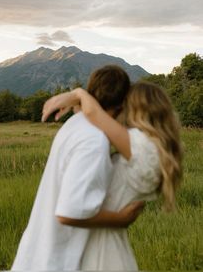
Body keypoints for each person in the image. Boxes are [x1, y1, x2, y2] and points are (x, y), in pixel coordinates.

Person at [11, 65, 144, 271]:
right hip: (56, 262)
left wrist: (77, 95)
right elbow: (69, 212)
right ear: (122, 104)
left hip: (36, 255)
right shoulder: (94, 141)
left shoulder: (76, 123)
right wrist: (121, 219)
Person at [41, 81, 183, 270]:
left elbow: (94, 114)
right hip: (102, 245)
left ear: (136, 109)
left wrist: (79, 94)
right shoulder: (153, 149)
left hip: (103, 254)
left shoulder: (144, 148)